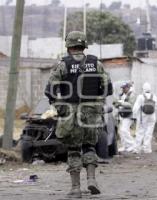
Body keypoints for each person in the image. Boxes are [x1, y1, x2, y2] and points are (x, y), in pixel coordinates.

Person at [44, 31, 113, 198]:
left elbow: (50, 90)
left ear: (69, 47)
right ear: (83, 46)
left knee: (74, 150)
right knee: (89, 146)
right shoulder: (96, 63)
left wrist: (59, 107)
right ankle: (92, 180)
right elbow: (108, 88)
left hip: (71, 114)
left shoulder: (63, 64)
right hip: (92, 113)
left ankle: (75, 188)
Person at [132, 82, 157, 153]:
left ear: (143, 89)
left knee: (140, 132)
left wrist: (134, 117)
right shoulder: (154, 97)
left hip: (143, 118)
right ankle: (147, 149)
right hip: (152, 117)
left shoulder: (140, 97)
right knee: (149, 133)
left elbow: (135, 108)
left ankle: (137, 149)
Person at [113, 82, 136, 152]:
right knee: (121, 131)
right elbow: (119, 104)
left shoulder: (132, 95)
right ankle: (125, 146)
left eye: (124, 88)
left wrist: (121, 103)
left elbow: (131, 105)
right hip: (122, 115)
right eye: (122, 88)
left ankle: (133, 145)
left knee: (124, 130)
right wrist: (116, 104)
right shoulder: (122, 95)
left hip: (129, 115)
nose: (123, 89)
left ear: (128, 87)